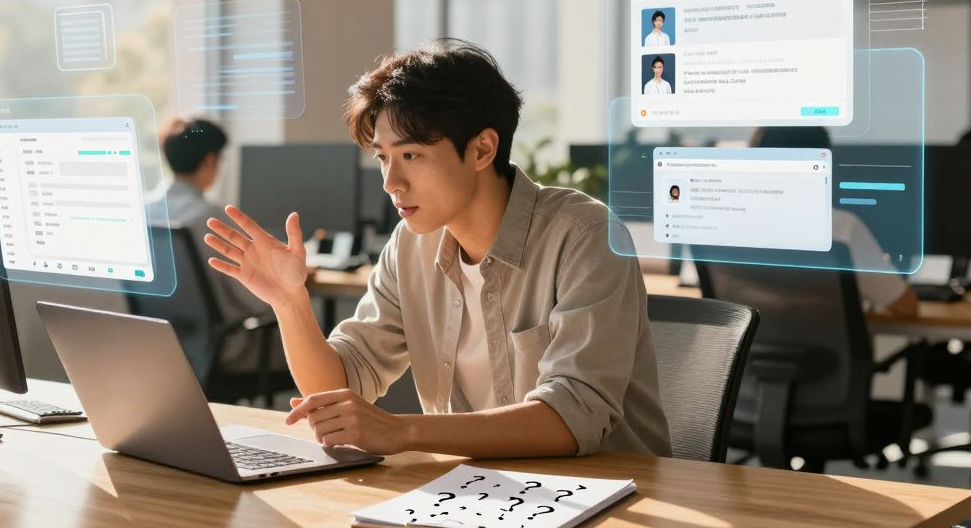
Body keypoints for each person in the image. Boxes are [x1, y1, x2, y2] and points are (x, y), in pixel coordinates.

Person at [204, 39, 670, 459]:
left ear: (483, 149)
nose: (391, 182)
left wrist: (403, 433)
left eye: (411, 156)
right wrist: (290, 303)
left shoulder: (584, 236)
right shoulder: (410, 246)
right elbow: (340, 390)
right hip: (480, 496)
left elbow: (573, 417)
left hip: (611, 502)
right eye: (383, 158)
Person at [750, 126, 918, 318]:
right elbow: (906, 307)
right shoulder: (841, 228)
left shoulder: (731, 227)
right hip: (825, 346)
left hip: (752, 346)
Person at [156, 119, 273, 363]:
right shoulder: (209, 218)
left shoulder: (147, 211)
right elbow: (255, 300)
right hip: (223, 349)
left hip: (166, 347)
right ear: (210, 160)